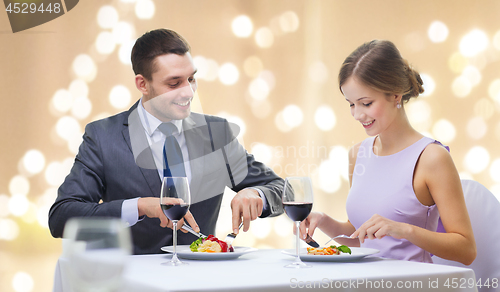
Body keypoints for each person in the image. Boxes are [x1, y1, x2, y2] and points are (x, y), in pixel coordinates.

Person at [49, 28, 284, 254]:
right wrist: (139, 206)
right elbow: (61, 217)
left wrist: (257, 194)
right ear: (142, 84)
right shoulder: (102, 137)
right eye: (174, 83)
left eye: (191, 79)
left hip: (202, 281)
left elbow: (283, 190)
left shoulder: (216, 133)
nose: (189, 92)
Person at [300, 40, 476, 264]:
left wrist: (405, 230)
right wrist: (324, 221)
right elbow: (361, 239)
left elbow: (467, 250)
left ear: (395, 95)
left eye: (366, 103)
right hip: (365, 283)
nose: (357, 114)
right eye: (351, 104)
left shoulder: (431, 157)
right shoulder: (357, 154)